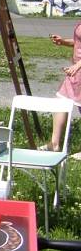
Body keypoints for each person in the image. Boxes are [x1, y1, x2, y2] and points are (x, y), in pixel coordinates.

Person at [42, 22, 81, 154]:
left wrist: (77, 66)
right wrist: (63, 41)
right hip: (76, 71)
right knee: (61, 100)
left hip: (78, 69)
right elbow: (78, 42)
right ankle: (55, 144)